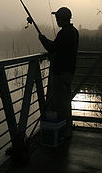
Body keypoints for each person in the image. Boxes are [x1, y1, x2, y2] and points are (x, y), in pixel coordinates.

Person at [38, 7, 79, 138]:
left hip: (61, 73)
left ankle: (64, 130)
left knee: (61, 103)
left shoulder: (64, 33)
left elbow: (52, 48)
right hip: (69, 72)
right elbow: (58, 47)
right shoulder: (73, 32)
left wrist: (42, 39)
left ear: (63, 18)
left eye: (58, 18)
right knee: (65, 101)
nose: (56, 20)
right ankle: (66, 128)